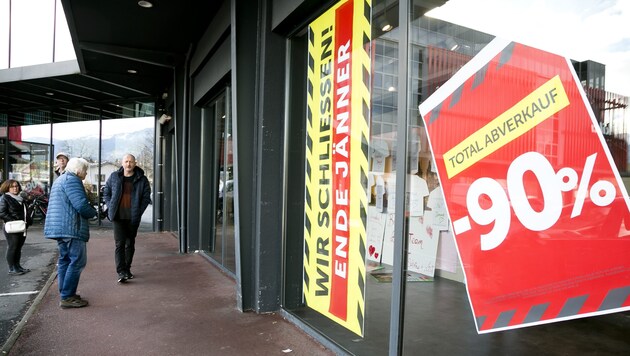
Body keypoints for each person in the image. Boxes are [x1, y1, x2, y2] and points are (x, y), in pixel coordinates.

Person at [44, 157, 97, 308]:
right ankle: (67, 297)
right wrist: (94, 213)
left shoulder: (61, 179)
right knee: (77, 261)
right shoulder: (72, 180)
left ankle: (66, 293)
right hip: (71, 228)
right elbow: (80, 205)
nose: (86, 174)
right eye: (85, 171)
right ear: (79, 170)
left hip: (60, 228)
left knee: (65, 260)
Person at [103, 153, 151, 283]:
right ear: (122, 163)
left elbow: (146, 198)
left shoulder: (142, 179)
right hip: (118, 216)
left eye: (131, 161)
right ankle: (121, 272)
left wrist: (139, 211)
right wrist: (110, 205)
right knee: (120, 244)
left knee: (130, 243)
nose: (128, 164)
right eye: (126, 161)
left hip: (133, 217)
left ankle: (127, 269)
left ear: (135, 163)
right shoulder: (114, 177)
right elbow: (106, 192)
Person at [0, 180, 33, 275]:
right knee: (12, 247)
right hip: (12, 227)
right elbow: (2, 213)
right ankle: (12, 268)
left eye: (16, 186)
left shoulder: (20, 198)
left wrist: (28, 221)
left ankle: (17, 266)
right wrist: (13, 220)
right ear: (7, 188)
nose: (15, 188)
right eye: (12, 186)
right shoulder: (5, 198)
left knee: (18, 247)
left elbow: (25, 211)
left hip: (21, 226)